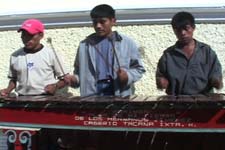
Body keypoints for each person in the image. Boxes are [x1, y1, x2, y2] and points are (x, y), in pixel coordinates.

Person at [65, 4, 145, 97]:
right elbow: (79, 73)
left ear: (113, 21)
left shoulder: (126, 43)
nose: (98, 26)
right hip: (92, 95)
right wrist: (74, 79)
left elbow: (139, 69)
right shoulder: (84, 45)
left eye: (102, 22)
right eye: (95, 22)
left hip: (118, 92)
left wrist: (127, 76)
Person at [156, 11, 223, 96]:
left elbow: (216, 74)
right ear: (174, 31)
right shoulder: (168, 55)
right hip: (176, 103)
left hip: (204, 101)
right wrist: (161, 82)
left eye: (186, 28)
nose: (183, 33)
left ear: (193, 28)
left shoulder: (207, 52)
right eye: (178, 30)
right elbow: (160, 77)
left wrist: (216, 81)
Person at [0, 18, 68, 97]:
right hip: (21, 99)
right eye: (24, 35)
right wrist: (7, 90)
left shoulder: (51, 54)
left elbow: (65, 79)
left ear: (41, 35)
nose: (26, 39)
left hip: (45, 99)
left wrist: (55, 86)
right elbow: (13, 79)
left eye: (30, 35)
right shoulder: (15, 56)